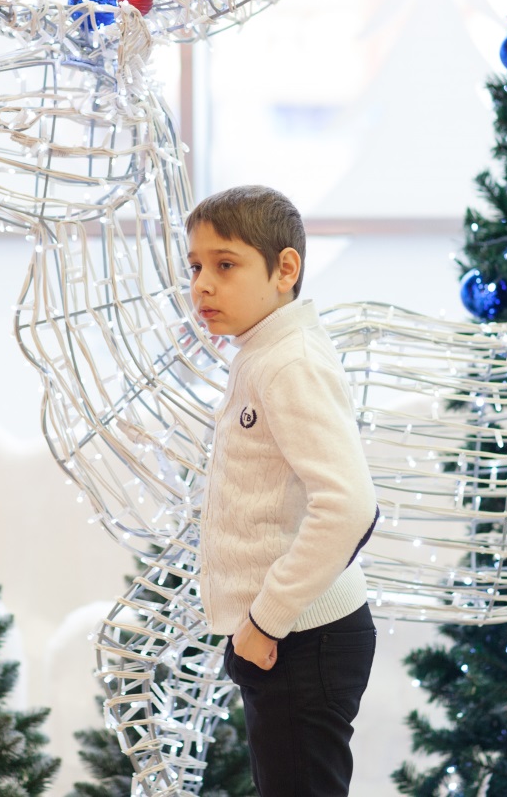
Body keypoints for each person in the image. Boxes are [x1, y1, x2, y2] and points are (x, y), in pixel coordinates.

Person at [186, 184, 380, 797]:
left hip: (301, 638)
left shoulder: (288, 362)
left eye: (225, 265)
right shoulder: (263, 352)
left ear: (285, 269)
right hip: (289, 637)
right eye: (195, 267)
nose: (202, 285)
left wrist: (264, 622)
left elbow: (350, 507)